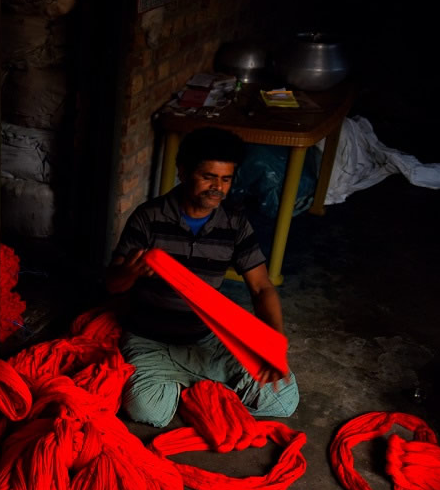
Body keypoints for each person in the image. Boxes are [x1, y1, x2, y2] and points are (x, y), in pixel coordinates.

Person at [106, 127, 299, 427]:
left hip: (205, 338)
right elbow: (112, 284)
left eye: (225, 179)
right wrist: (130, 273)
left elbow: (261, 288)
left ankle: (193, 391)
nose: (217, 188)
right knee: (148, 411)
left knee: (283, 398)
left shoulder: (234, 224)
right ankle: (199, 389)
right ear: (183, 171)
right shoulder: (149, 217)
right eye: (208, 177)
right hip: (149, 339)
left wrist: (273, 344)